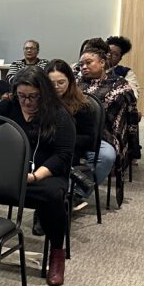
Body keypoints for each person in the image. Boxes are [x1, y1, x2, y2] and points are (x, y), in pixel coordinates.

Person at [0, 67, 75, 286]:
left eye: (33, 96)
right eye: (22, 96)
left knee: (53, 195)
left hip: (45, 173)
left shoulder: (59, 114)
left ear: (44, 94)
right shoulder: (7, 107)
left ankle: (56, 253)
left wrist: (35, 176)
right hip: (11, 172)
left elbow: (63, 155)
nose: (27, 102)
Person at [77, 44, 135, 202]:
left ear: (102, 63)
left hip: (104, 134)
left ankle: (77, 193)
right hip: (75, 132)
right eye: (81, 64)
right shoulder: (74, 83)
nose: (84, 67)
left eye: (88, 62)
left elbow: (127, 112)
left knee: (106, 157)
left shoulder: (119, 85)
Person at [48, 59, 95, 211]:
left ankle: (68, 197)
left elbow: (89, 138)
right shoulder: (39, 100)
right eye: (51, 83)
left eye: (61, 82)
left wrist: (63, 140)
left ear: (70, 81)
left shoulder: (82, 105)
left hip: (70, 149)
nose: (56, 87)